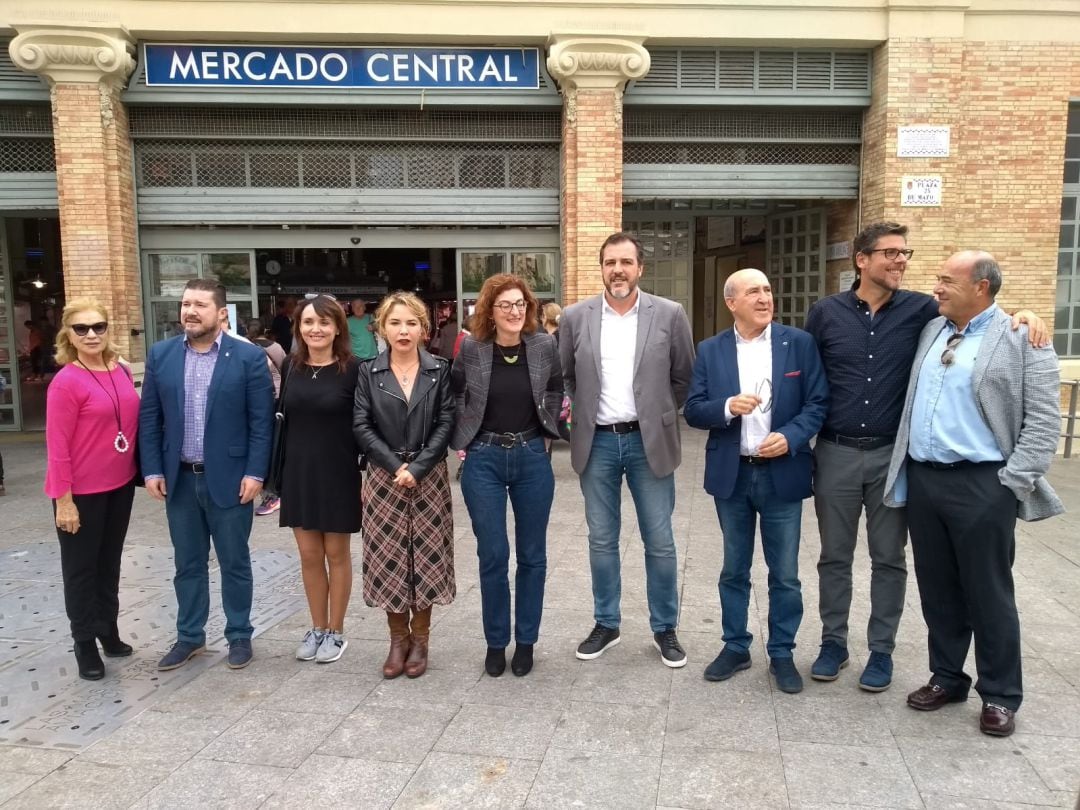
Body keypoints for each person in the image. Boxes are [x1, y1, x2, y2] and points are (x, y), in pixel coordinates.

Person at [804, 222, 1048, 692]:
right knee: (840, 559)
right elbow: (811, 377)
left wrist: (1025, 313)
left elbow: (985, 318)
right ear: (862, 259)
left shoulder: (922, 310)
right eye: (890, 253)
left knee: (894, 560)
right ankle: (837, 644)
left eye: (904, 254)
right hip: (842, 454)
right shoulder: (829, 313)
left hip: (898, 461)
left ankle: (884, 653)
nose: (901, 262)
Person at [883, 251, 1062, 738]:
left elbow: (1045, 420)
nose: (936, 288)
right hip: (926, 479)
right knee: (938, 589)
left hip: (984, 483)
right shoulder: (934, 330)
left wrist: (1013, 480)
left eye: (946, 280)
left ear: (981, 287)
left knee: (989, 591)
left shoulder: (1023, 337)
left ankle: (1001, 694)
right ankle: (947, 677)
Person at [684, 269, 828, 693]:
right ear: (732, 303)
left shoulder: (798, 344)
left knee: (784, 573)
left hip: (782, 473)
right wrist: (727, 406)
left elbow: (819, 402)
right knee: (734, 568)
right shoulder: (711, 350)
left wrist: (793, 436)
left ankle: (782, 652)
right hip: (734, 473)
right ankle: (736, 645)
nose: (765, 297)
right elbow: (693, 409)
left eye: (767, 289)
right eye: (754, 292)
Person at [559, 231, 695, 668]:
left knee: (660, 540)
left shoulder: (670, 314)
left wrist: (659, 414)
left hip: (648, 441)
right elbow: (565, 376)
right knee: (601, 540)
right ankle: (607, 622)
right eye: (610, 262)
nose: (618, 270)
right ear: (601, 268)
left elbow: (684, 376)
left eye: (626, 262)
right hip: (596, 441)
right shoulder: (576, 317)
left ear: (640, 268)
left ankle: (665, 628)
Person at [139, 279, 274, 672]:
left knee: (235, 561)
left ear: (221, 313)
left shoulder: (247, 358)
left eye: (199, 304)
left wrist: (255, 472)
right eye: (185, 304)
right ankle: (189, 637)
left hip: (232, 479)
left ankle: (239, 635)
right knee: (188, 563)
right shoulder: (161, 355)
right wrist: (151, 469)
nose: (190, 311)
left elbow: (261, 422)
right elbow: (149, 418)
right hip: (179, 480)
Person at [451, 274, 562, 678]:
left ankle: (526, 641)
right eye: (506, 306)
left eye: (521, 304)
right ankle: (496, 641)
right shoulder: (473, 349)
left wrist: (548, 433)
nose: (515, 312)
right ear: (490, 312)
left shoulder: (545, 345)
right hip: (484, 460)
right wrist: (463, 437)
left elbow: (555, 387)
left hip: (532, 456)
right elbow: (456, 393)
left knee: (533, 556)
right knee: (493, 554)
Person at [353, 291, 455, 679]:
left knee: (427, 558)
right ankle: (398, 640)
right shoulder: (368, 372)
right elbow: (361, 425)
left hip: (428, 477)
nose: (403, 330)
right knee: (390, 558)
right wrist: (397, 465)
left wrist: (420, 465)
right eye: (395, 322)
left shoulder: (440, 370)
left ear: (424, 329)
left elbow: (446, 421)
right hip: (384, 477)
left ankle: (422, 640)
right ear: (381, 327)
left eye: (412, 322)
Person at [45, 299, 140, 680]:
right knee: (81, 570)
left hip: (119, 485)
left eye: (98, 326)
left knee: (110, 563)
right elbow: (57, 446)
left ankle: (108, 630)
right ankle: (84, 642)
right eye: (81, 329)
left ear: (108, 329)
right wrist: (63, 500)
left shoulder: (121, 369)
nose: (90, 335)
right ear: (67, 334)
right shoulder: (66, 380)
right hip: (79, 492)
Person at [277, 295, 361, 663]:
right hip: (298, 471)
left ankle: (336, 632)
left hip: (338, 471)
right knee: (309, 555)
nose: (316, 329)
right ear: (299, 327)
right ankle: (316, 627)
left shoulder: (354, 369)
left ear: (337, 328)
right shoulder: (290, 368)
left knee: (336, 554)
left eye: (324, 322)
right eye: (309, 322)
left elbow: (363, 425)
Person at [247, 317, 287, 517]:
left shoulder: (245, 348)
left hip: (255, 400)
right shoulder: (276, 347)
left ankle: (270, 493)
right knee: (272, 442)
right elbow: (284, 368)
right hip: (275, 397)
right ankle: (272, 492)